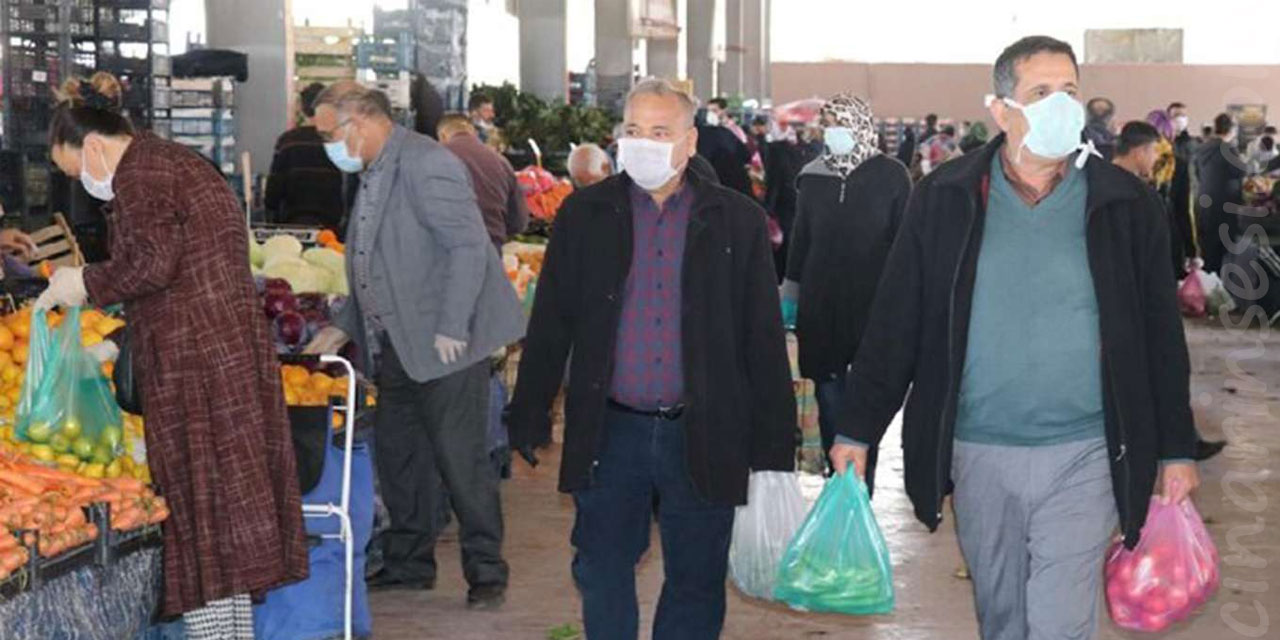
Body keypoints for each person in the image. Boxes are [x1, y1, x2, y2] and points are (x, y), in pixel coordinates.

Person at [828, 36, 1200, 640]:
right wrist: (857, 428)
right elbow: (896, 321)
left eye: (1070, 90)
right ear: (1002, 111)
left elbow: (1160, 335)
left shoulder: (1126, 205)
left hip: (1087, 448)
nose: (1062, 104)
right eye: (1041, 92)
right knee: (1003, 616)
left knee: (1058, 620)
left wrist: (1176, 448)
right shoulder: (945, 198)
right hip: (978, 447)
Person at [505, 78, 795, 640]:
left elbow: (761, 335)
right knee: (601, 566)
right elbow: (552, 322)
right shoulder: (585, 214)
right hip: (611, 429)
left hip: (704, 429)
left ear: (690, 141)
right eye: (634, 130)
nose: (643, 143)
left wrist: (773, 442)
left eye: (660, 132)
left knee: (697, 577)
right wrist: (529, 411)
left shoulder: (735, 220)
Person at [36, 72, 308, 637]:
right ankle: (228, 633)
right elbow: (178, 276)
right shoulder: (169, 164)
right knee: (220, 524)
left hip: (198, 372)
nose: (82, 184)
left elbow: (151, 265)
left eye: (75, 172)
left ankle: (218, 634)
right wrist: (120, 340)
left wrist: (83, 281)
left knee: (203, 516)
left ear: (93, 147)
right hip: (215, 357)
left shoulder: (144, 175)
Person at [304, 81, 524, 609]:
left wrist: (453, 325)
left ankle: (487, 572)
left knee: (460, 459)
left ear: (359, 122)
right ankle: (409, 562)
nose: (327, 146)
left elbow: (468, 247)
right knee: (401, 456)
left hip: (448, 344)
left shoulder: (427, 163)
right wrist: (344, 326)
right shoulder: (372, 171)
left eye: (329, 134)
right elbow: (372, 263)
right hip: (398, 343)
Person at [781, 95, 910, 474]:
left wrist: (904, 302)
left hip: (873, 307)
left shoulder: (891, 176)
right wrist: (790, 296)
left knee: (865, 405)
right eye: (829, 124)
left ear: (862, 125)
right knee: (828, 398)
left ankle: (860, 485)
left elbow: (904, 243)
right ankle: (839, 481)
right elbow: (801, 240)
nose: (833, 132)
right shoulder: (812, 176)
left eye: (841, 123)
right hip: (820, 307)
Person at [264, 82, 350, 231]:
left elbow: (274, 189)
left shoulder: (288, 141)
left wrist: (271, 218)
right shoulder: (340, 140)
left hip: (293, 224)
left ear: (302, 109)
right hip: (333, 226)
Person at [436, 112, 529, 249]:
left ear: (443, 136)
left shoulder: (432, 159)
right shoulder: (501, 162)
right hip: (490, 249)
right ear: (474, 133)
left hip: (445, 250)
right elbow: (519, 222)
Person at [763, 120, 818, 280]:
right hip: (802, 204)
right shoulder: (812, 150)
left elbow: (773, 182)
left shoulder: (777, 150)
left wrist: (768, 209)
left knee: (785, 245)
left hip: (785, 205)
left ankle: (784, 278)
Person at [1194, 113, 1247, 274]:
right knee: (1221, 252)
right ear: (1233, 129)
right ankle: (1218, 284)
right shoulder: (1228, 149)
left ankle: (1207, 282)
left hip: (1205, 203)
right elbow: (1242, 171)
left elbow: (1198, 173)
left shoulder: (1203, 147)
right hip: (1223, 207)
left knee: (1207, 250)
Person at [1167, 101, 1199, 279]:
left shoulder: (1193, 144)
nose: (1179, 119)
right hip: (1173, 203)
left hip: (1190, 195)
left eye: (1183, 115)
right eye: (1175, 115)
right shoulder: (1164, 147)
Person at [696, 104, 753, 197]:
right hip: (734, 189)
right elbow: (746, 155)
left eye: (715, 110)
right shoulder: (725, 133)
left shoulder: (691, 137)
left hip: (706, 188)